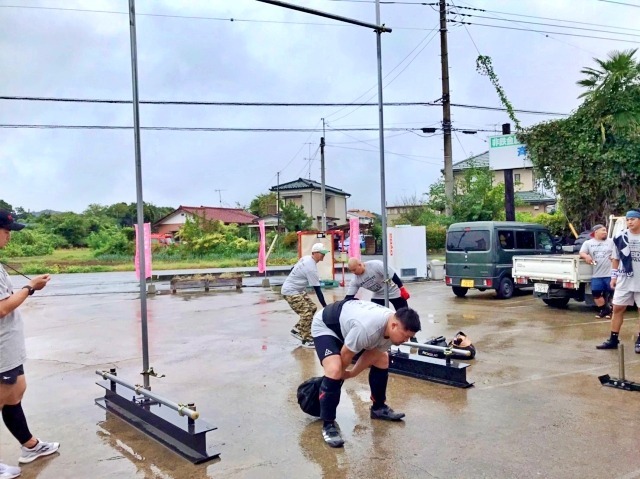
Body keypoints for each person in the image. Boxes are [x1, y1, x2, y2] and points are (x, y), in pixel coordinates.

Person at [311, 299, 421, 447]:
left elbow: (373, 355)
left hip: (350, 327)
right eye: (405, 336)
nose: (406, 340)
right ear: (394, 325)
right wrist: (334, 381)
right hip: (326, 326)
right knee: (335, 369)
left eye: (409, 337)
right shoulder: (368, 328)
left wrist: (353, 373)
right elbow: (346, 354)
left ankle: (378, 408)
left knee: (382, 359)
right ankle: (328, 424)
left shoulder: (391, 330)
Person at [0, 210, 59, 478]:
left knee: (16, 391)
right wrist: (30, 288)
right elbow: (1, 309)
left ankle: (30, 446)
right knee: (4, 395)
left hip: (8, 347)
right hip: (1, 349)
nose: (9, 236)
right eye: (6, 231)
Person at [596, 209, 640, 351]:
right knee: (617, 308)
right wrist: (613, 276)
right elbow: (615, 258)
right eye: (628, 219)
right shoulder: (620, 237)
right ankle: (613, 339)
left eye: (633, 219)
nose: (629, 222)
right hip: (624, 279)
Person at [281, 242, 328, 349]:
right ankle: (306, 339)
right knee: (306, 313)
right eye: (322, 253)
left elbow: (292, 268)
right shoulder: (311, 268)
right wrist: (326, 307)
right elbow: (318, 291)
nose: (323, 255)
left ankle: (297, 329)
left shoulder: (306, 258)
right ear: (314, 253)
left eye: (324, 253)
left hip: (298, 290)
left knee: (312, 308)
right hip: (290, 291)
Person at [345, 258, 411, 311]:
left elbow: (392, 274)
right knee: (376, 314)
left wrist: (402, 288)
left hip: (393, 291)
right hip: (379, 294)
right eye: (351, 271)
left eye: (354, 270)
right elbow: (349, 297)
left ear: (360, 264)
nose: (353, 272)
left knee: (404, 315)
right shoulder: (355, 280)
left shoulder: (375, 265)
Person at [579, 224, 614, 319]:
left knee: (613, 293)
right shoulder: (588, 243)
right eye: (603, 230)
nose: (605, 232)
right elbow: (582, 252)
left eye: (606, 230)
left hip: (610, 274)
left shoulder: (611, 241)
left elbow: (619, 251)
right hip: (597, 274)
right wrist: (586, 256)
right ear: (595, 232)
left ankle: (612, 311)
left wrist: (614, 257)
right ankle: (604, 310)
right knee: (596, 293)